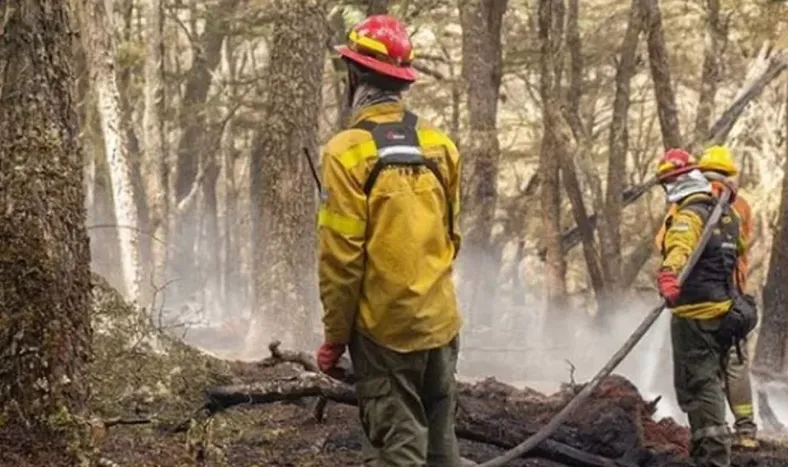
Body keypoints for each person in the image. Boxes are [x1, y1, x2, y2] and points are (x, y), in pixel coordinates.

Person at [314, 14, 463, 466]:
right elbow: (452, 237)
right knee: (441, 451)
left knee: (397, 453)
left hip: (385, 334)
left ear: (354, 75)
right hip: (440, 324)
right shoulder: (440, 145)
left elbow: (342, 261)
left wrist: (334, 337)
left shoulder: (345, 152)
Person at [654, 145, 758, 450]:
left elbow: (674, 243)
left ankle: (713, 452)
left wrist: (669, 274)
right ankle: (744, 430)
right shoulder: (732, 210)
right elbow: (740, 249)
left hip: (696, 313)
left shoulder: (688, 210)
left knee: (700, 383)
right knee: (731, 369)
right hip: (730, 304)